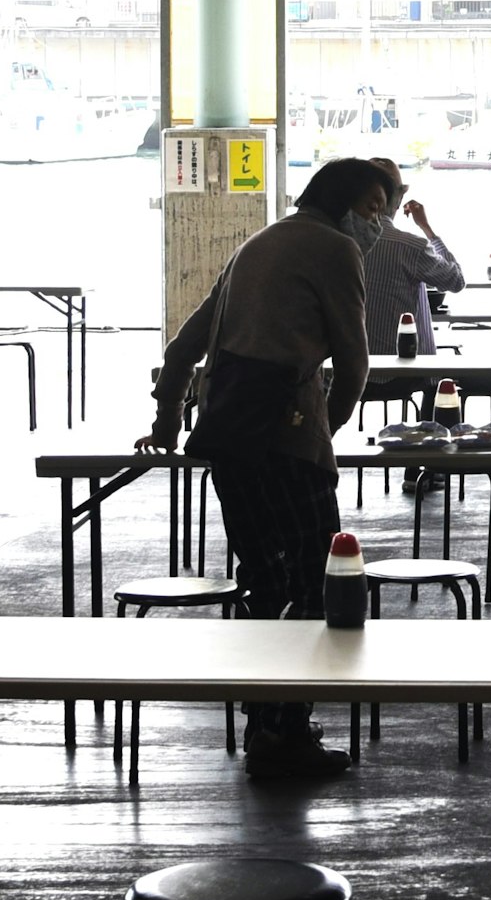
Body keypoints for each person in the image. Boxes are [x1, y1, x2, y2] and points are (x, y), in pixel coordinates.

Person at [144, 157, 393, 781]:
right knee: (317, 584)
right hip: (285, 443)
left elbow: (182, 348)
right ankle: (285, 731)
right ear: (341, 202)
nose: (378, 220)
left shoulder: (259, 243)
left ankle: (264, 724)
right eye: (371, 206)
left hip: (227, 438)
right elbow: (355, 366)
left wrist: (167, 420)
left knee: (263, 582)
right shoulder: (335, 250)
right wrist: (322, 435)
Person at [363, 165, 466, 356]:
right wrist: (427, 229)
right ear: (399, 198)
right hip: (399, 367)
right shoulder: (411, 246)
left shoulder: (336, 242)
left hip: (345, 367)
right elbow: (456, 281)